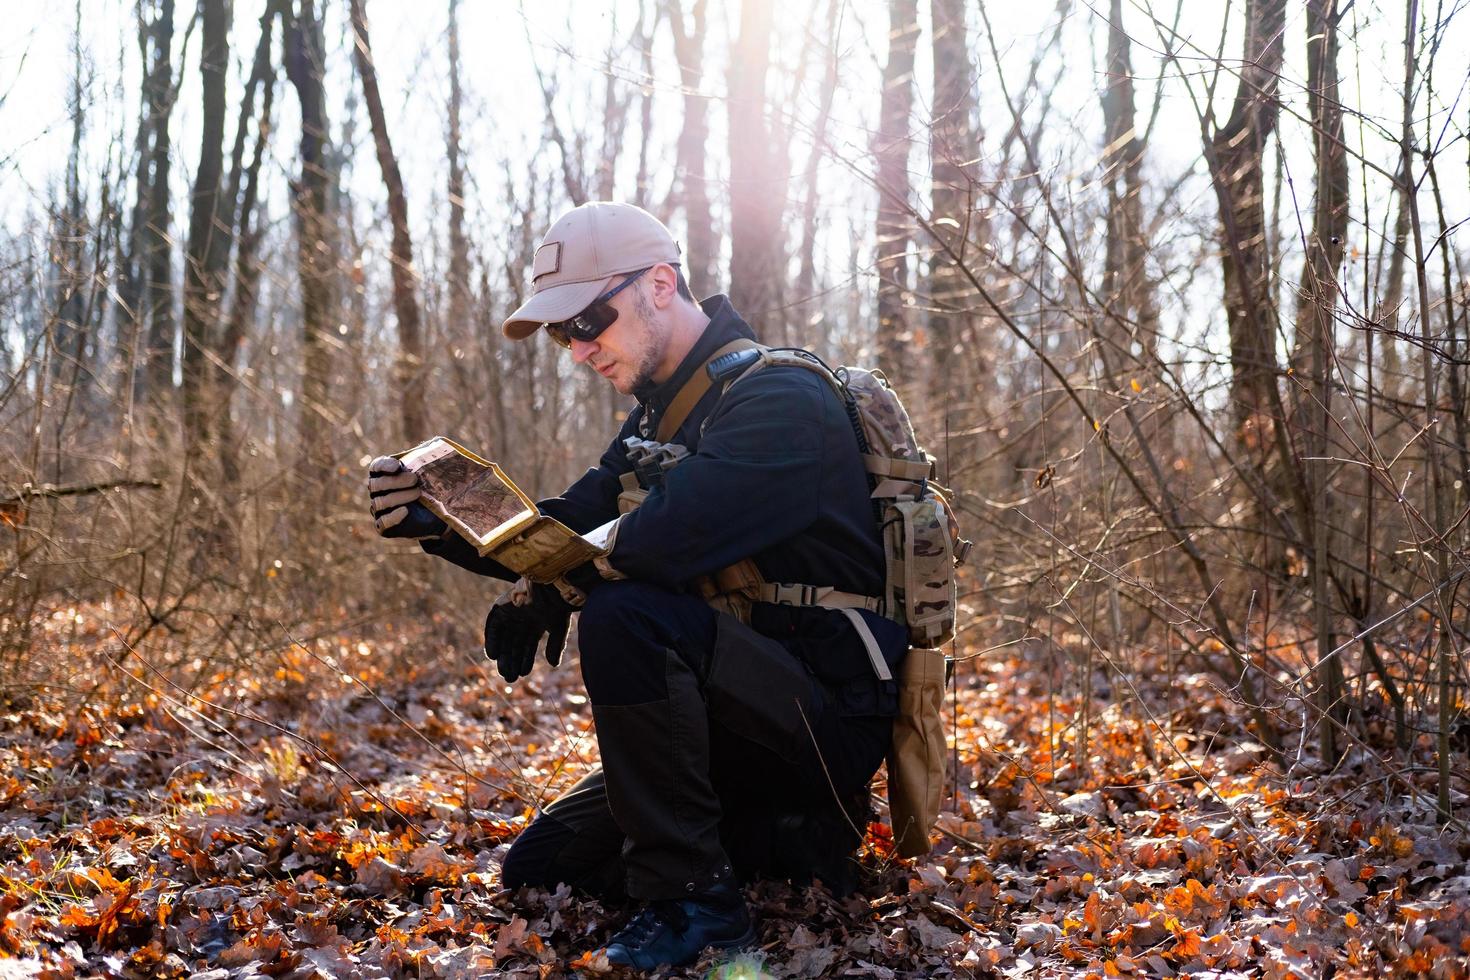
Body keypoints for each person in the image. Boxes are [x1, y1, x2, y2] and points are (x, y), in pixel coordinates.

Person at [366, 202, 907, 971]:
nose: (580, 349)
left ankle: (700, 904)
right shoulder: (662, 412)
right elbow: (564, 523)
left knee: (624, 615)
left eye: (589, 319)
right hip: (734, 719)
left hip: (825, 718)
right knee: (542, 865)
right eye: (563, 333)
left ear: (661, 283)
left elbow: (652, 545)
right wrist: (436, 520)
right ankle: (783, 838)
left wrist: (552, 589)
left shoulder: (782, 402)